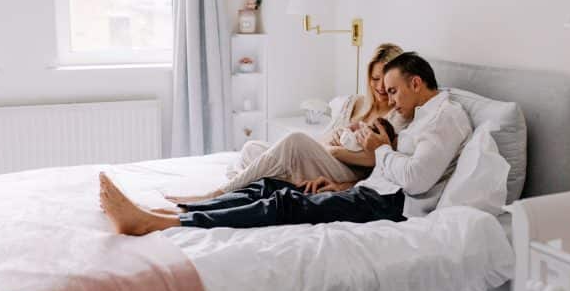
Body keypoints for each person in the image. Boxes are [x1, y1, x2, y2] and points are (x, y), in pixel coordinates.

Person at [100, 52, 473, 235]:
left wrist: (380, 152)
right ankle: (176, 212)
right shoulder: (417, 117)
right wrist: (345, 183)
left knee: (285, 204)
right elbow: (386, 168)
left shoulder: (446, 118)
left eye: (393, 91)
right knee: (269, 185)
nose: (390, 99)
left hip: (389, 205)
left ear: (417, 83)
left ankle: (173, 223)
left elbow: (417, 179)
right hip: (369, 190)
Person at [165, 43, 407, 206]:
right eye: (375, 79)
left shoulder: (397, 118)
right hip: (324, 158)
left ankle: (217, 195)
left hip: (345, 170)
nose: (380, 87)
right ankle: (260, 190)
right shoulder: (354, 103)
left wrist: (335, 157)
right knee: (251, 148)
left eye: (386, 82)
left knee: (294, 141)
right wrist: (326, 146)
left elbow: (378, 162)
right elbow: (323, 139)